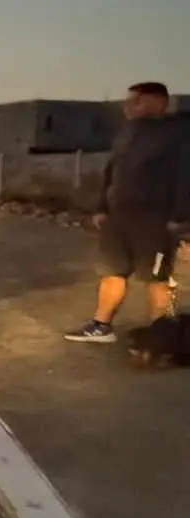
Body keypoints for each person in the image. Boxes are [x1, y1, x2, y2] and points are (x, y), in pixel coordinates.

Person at [66, 81, 190, 343]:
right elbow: (112, 172)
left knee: (156, 277)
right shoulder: (126, 133)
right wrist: (101, 208)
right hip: (118, 218)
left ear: (154, 102)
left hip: (154, 220)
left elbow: (184, 177)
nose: (126, 106)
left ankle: (162, 335)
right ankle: (101, 326)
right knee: (112, 271)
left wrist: (179, 218)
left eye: (133, 101)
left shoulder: (175, 135)